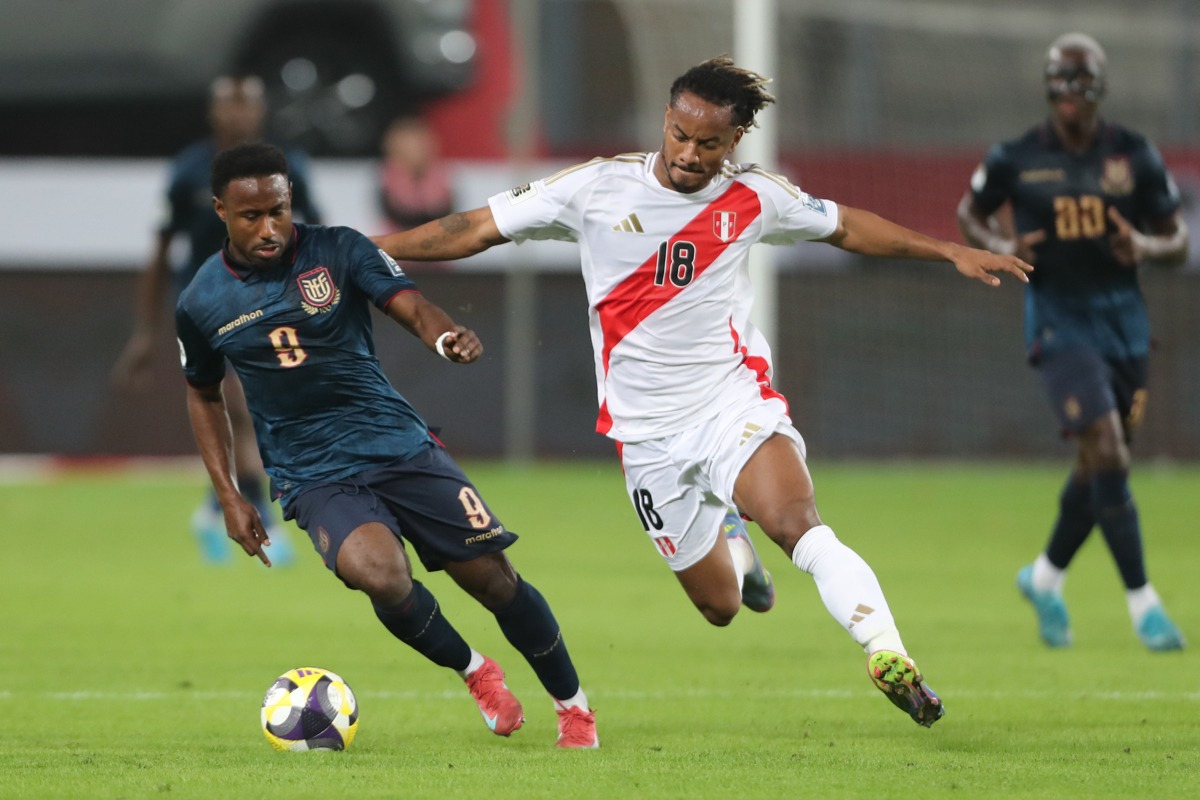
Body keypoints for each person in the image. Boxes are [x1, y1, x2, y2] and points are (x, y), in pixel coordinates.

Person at [373, 55, 1033, 727]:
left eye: (709, 144)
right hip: (645, 435)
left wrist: (947, 250)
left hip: (730, 403)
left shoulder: (755, 196)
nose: (690, 154)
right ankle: (731, 538)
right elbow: (474, 228)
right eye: (681, 135)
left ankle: (889, 654)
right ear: (666, 120)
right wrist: (366, 250)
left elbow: (848, 226)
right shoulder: (597, 187)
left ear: (734, 142)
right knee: (719, 605)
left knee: (798, 524)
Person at [175, 142, 599, 748]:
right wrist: (230, 494)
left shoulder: (339, 249)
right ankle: (475, 671)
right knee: (379, 574)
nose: (269, 228)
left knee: (493, 582)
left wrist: (444, 336)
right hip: (312, 471)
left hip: (397, 445)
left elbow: (412, 306)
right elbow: (203, 395)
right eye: (251, 216)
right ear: (221, 210)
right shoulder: (201, 302)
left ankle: (573, 707)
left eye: (278, 210)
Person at [957, 33, 1187, 652]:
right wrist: (1001, 246)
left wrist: (1144, 247)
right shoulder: (1015, 157)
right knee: (1109, 454)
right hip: (1059, 320)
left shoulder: (1133, 155)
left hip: (1124, 324)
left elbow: (1178, 239)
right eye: (1060, 79)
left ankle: (1044, 577)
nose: (1069, 93)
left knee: (1098, 464)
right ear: (1047, 85)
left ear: (1100, 88)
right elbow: (969, 213)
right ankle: (1145, 606)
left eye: (1081, 82)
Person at [112, 74, 321, 566]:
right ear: (214, 111)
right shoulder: (189, 171)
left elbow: (315, 236)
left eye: (247, 103)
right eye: (229, 104)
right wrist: (146, 331)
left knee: (262, 408)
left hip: (273, 301)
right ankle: (262, 516)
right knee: (239, 401)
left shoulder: (289, 168)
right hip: (208, 303)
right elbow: (162, 251)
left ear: (261, 110)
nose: (238, 113)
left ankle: (217, 507)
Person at [378, 115, 454, 234]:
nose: (416, 151)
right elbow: (399, 213)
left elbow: (442, 210)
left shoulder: (438, 172)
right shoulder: (389, 177)